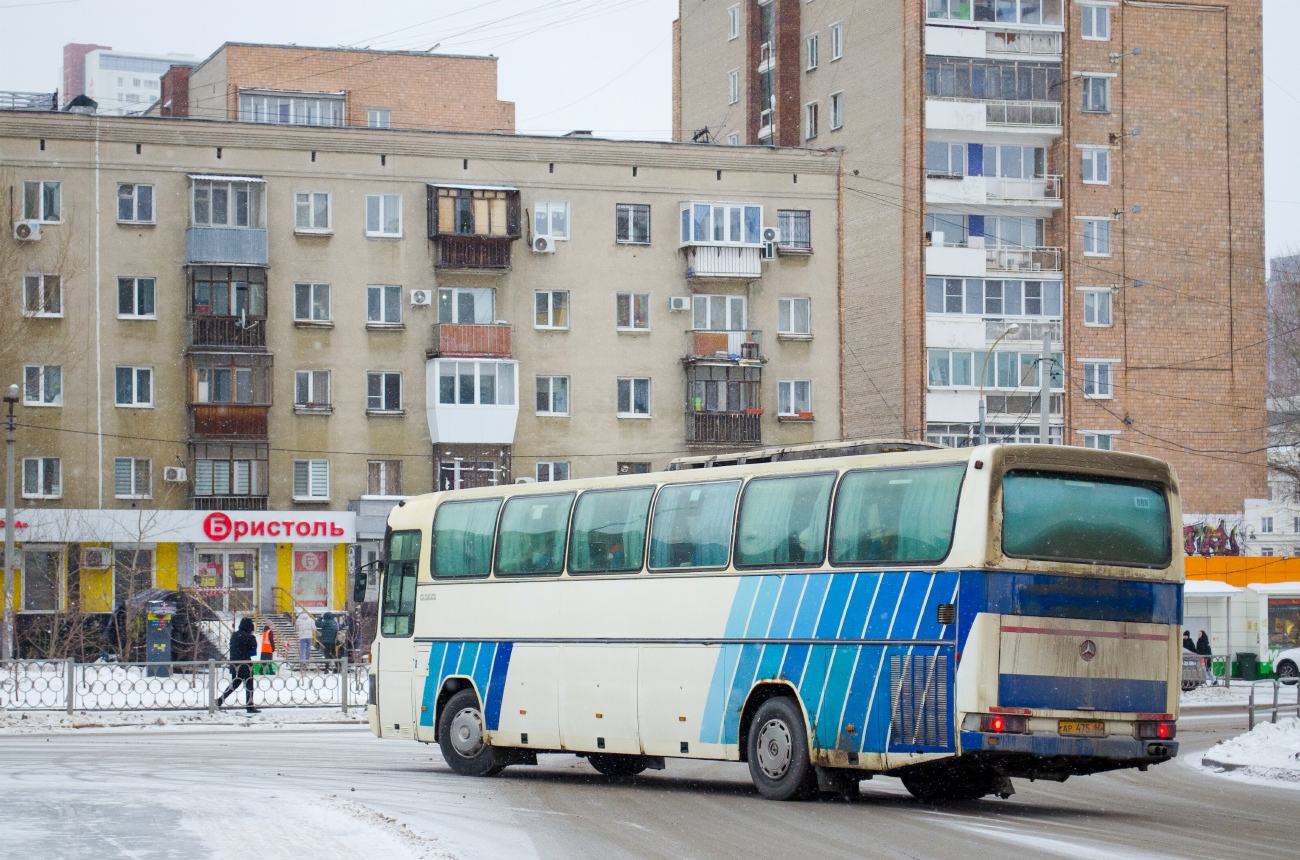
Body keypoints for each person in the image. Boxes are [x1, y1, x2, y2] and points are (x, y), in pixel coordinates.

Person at [217, 617, 260, 713]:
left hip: (234, 664)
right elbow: (253, 647)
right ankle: (250, 705)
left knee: (235, 684)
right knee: (249, 684)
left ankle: (220, 700)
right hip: (245, 664)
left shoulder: (235, 635)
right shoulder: (247, 636)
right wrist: (252, 636)